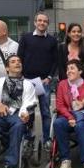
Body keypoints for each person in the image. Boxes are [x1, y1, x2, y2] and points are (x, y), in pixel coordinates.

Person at [17, 12, 57, 146]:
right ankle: (29, 139)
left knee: (46, 112)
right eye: (39, 20)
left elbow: (55, 61)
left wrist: (50, 77)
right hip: (27, 81)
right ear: (35, 23)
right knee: (29, 112)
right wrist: (21, 76)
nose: (42, 23)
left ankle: (47, 139)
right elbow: (19, 57)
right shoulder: (26, 38)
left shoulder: (52, 40)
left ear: (47, 24)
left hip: (44, 83)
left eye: (45, 21)